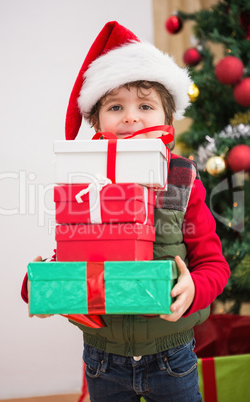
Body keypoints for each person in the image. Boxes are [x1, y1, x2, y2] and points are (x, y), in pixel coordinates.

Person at [22, 21, 230, 401]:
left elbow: (214, 263)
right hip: (103, 359)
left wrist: (195, 287)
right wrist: (42, 285)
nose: (131, 117)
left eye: (145, 106)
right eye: (116, 106)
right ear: (96, 121)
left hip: (171, 355)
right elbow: (70, 253)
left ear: (167, 122)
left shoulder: (182, 179)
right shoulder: (81, 179)